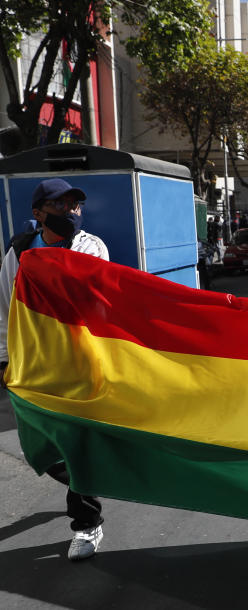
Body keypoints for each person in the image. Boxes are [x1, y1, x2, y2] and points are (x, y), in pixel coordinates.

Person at [0, 178, 110, 561]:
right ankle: (91, 478)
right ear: (38, 214)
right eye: (60, 206)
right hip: (37, 367)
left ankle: (86, 523)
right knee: (39, 448)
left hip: (81, 365)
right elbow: (7, 310)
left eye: (75, 205)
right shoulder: (17, 253)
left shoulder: (91, 247)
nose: (71, 212)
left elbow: (97, 304)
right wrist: (6, 358)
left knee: (78, 443)